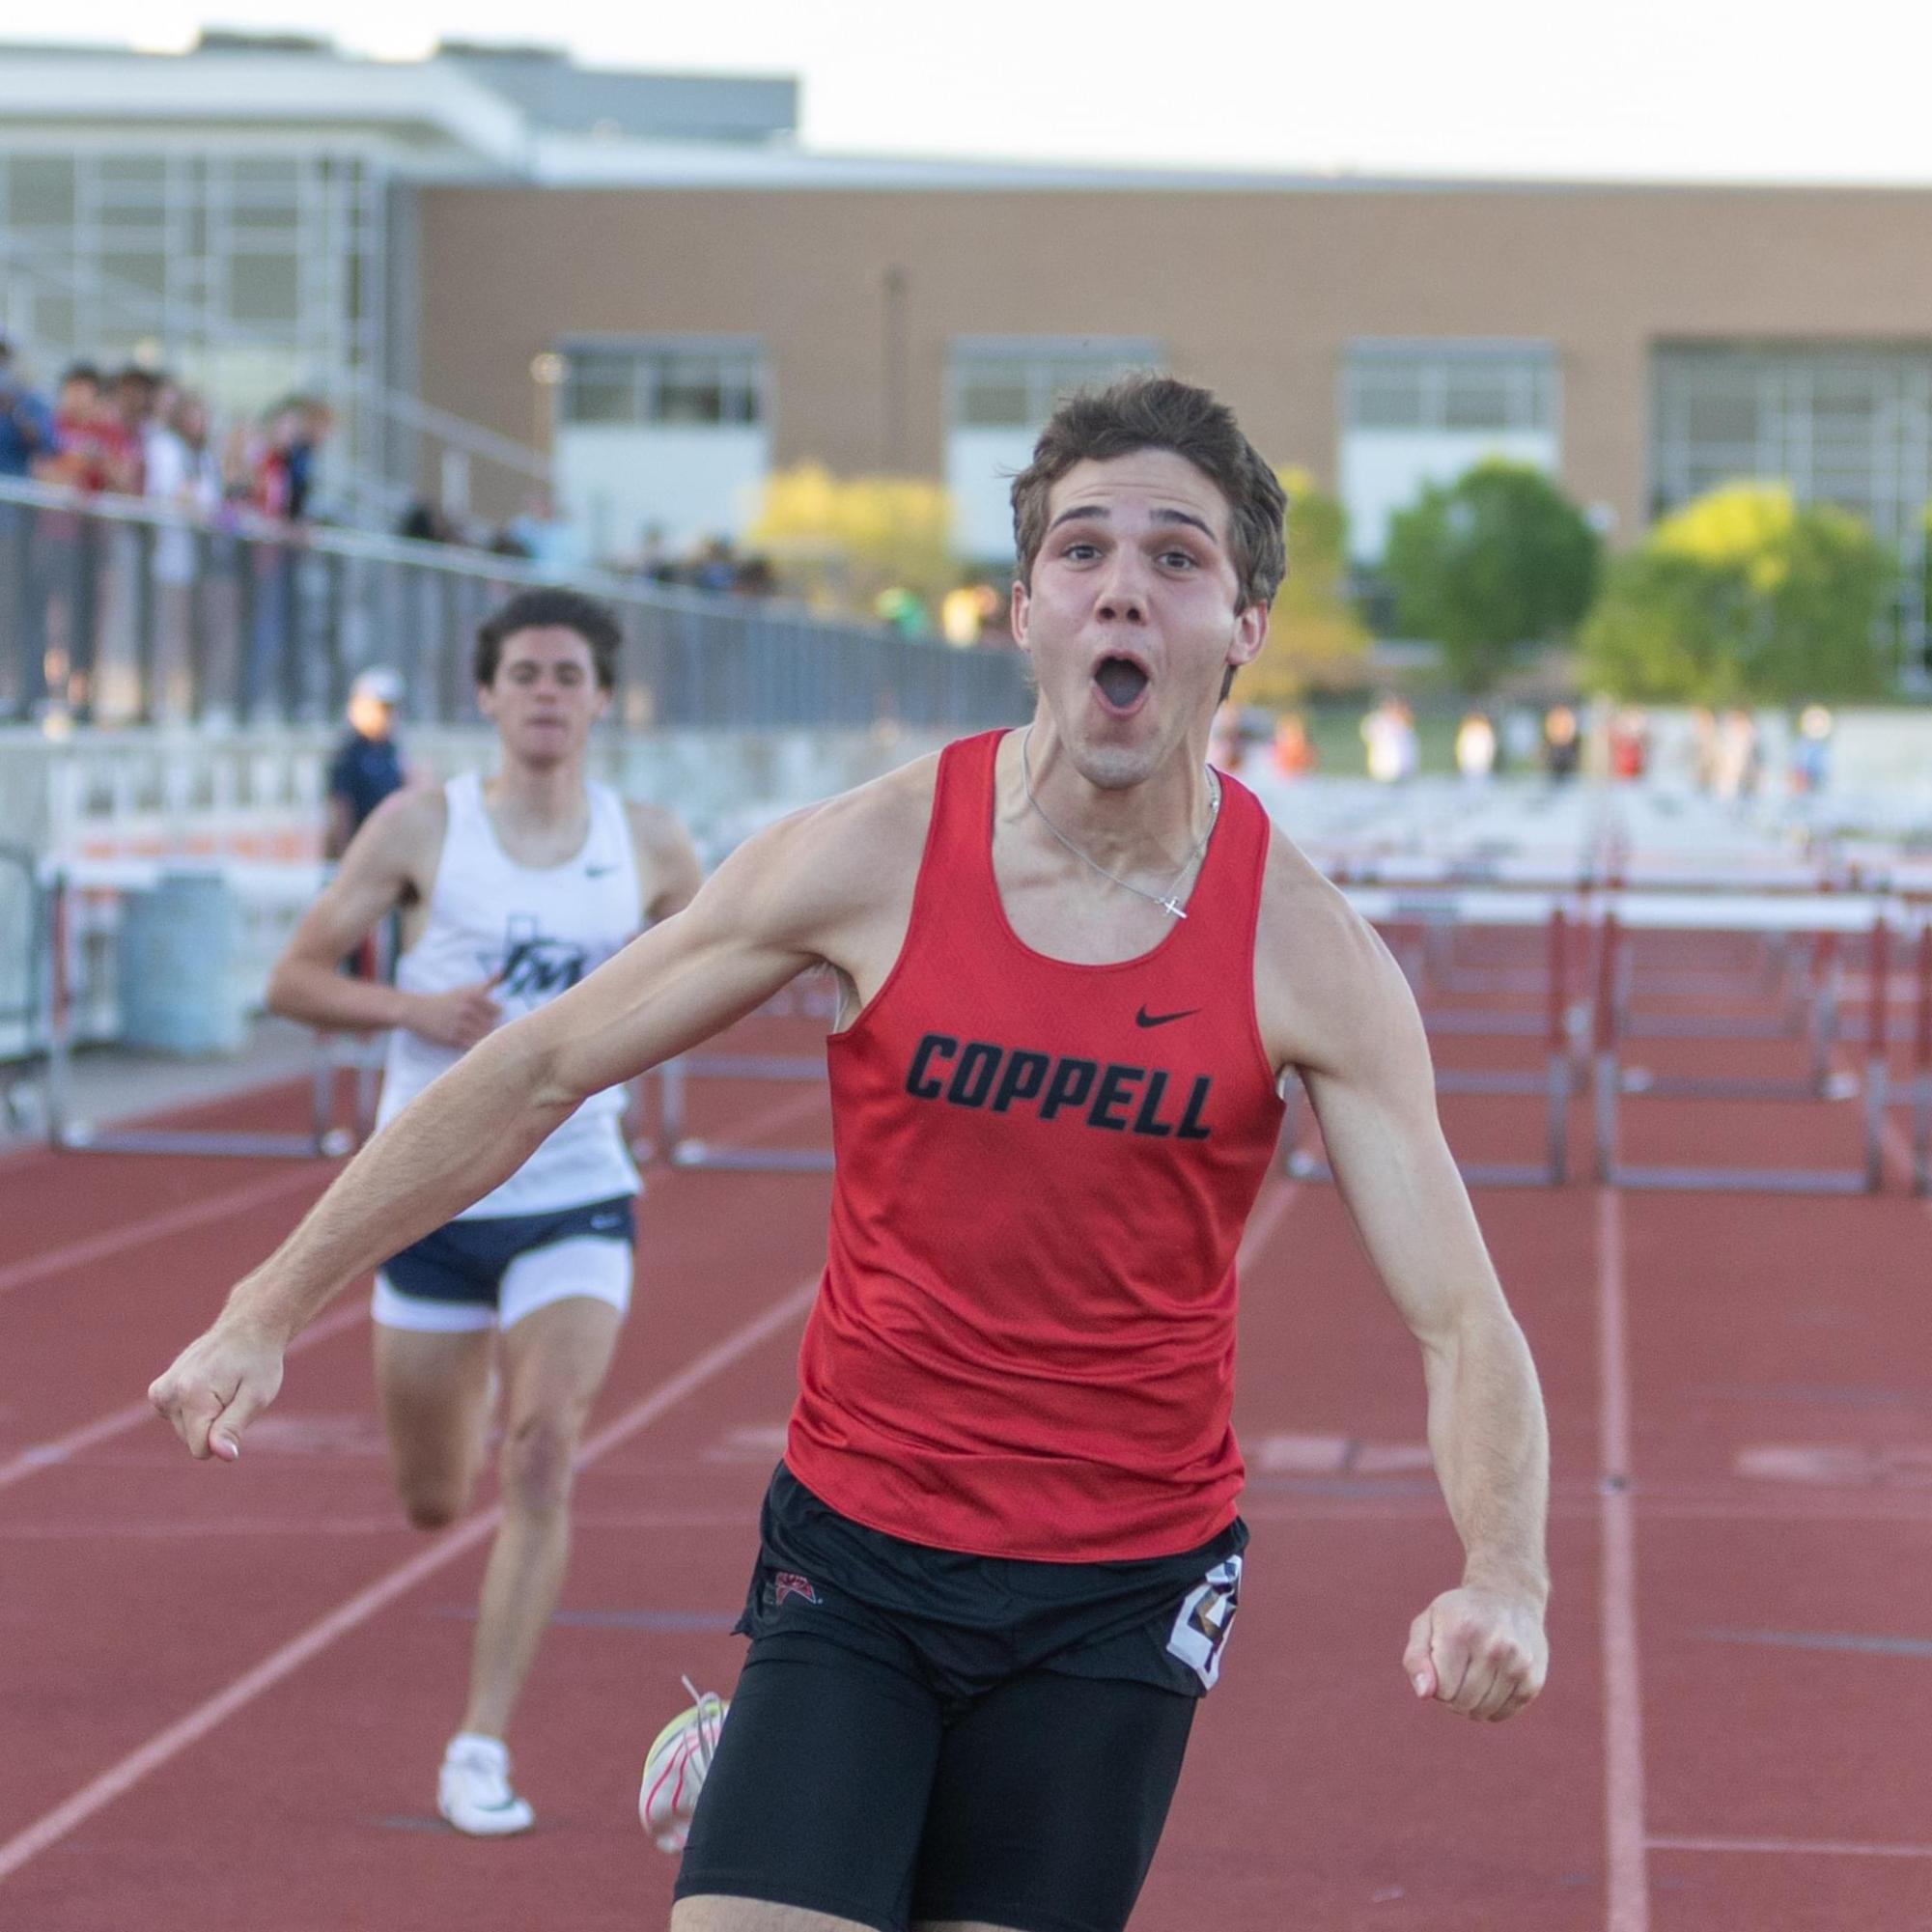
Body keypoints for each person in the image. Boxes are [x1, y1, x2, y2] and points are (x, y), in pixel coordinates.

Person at [151, 378, 1549, 1926]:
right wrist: (268, 1302)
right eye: (1081, 552)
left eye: (1176, 557)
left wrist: (1505, 1572)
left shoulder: (1309, 954)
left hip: (1117, 1591)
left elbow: (1460, 1319)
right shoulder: (872, 853)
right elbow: (540, 1061)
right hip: (859, 1552)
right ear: (1025, 610)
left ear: (1243, 624)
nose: (1122, 588)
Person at [195, 585, 701, 1835]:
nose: (544, 692)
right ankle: (462, 1398)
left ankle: (480, 1744)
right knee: (433, 1494)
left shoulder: (650, 844)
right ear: (486, 695)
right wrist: (411, 1012)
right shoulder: (422, 825)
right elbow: (292, 978)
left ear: (598, 698)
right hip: (425, 1193)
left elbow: (719, 977)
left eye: (566, 674)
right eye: (522, 671)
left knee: (542, 1454)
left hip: (578, 1189)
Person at [325, 667, 411, 859]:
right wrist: (346, 858)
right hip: (359, 852)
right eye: (383, 708)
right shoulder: (349, 755)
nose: (388, 717)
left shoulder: (393, 751)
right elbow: (341, 810)